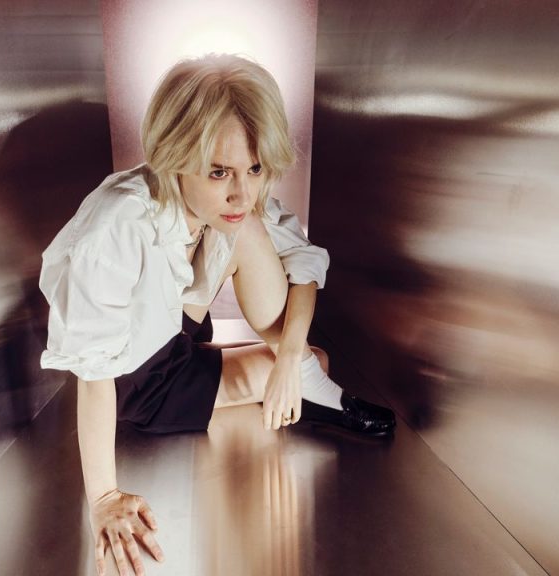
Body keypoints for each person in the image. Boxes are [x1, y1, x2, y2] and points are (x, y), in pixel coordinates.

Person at [39, 54, 396, 576]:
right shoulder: (117, 226)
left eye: (254, 168)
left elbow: (304, 264)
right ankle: (299, 381)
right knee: (305, 361)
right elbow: (93, 375)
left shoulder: (235, 200)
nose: (240, 191)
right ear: (175, 155)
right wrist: (105, 498)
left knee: (302, 345)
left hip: (176, 329)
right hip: (134, 379)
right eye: (219, 171)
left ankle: (299, 374)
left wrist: (289, 358)